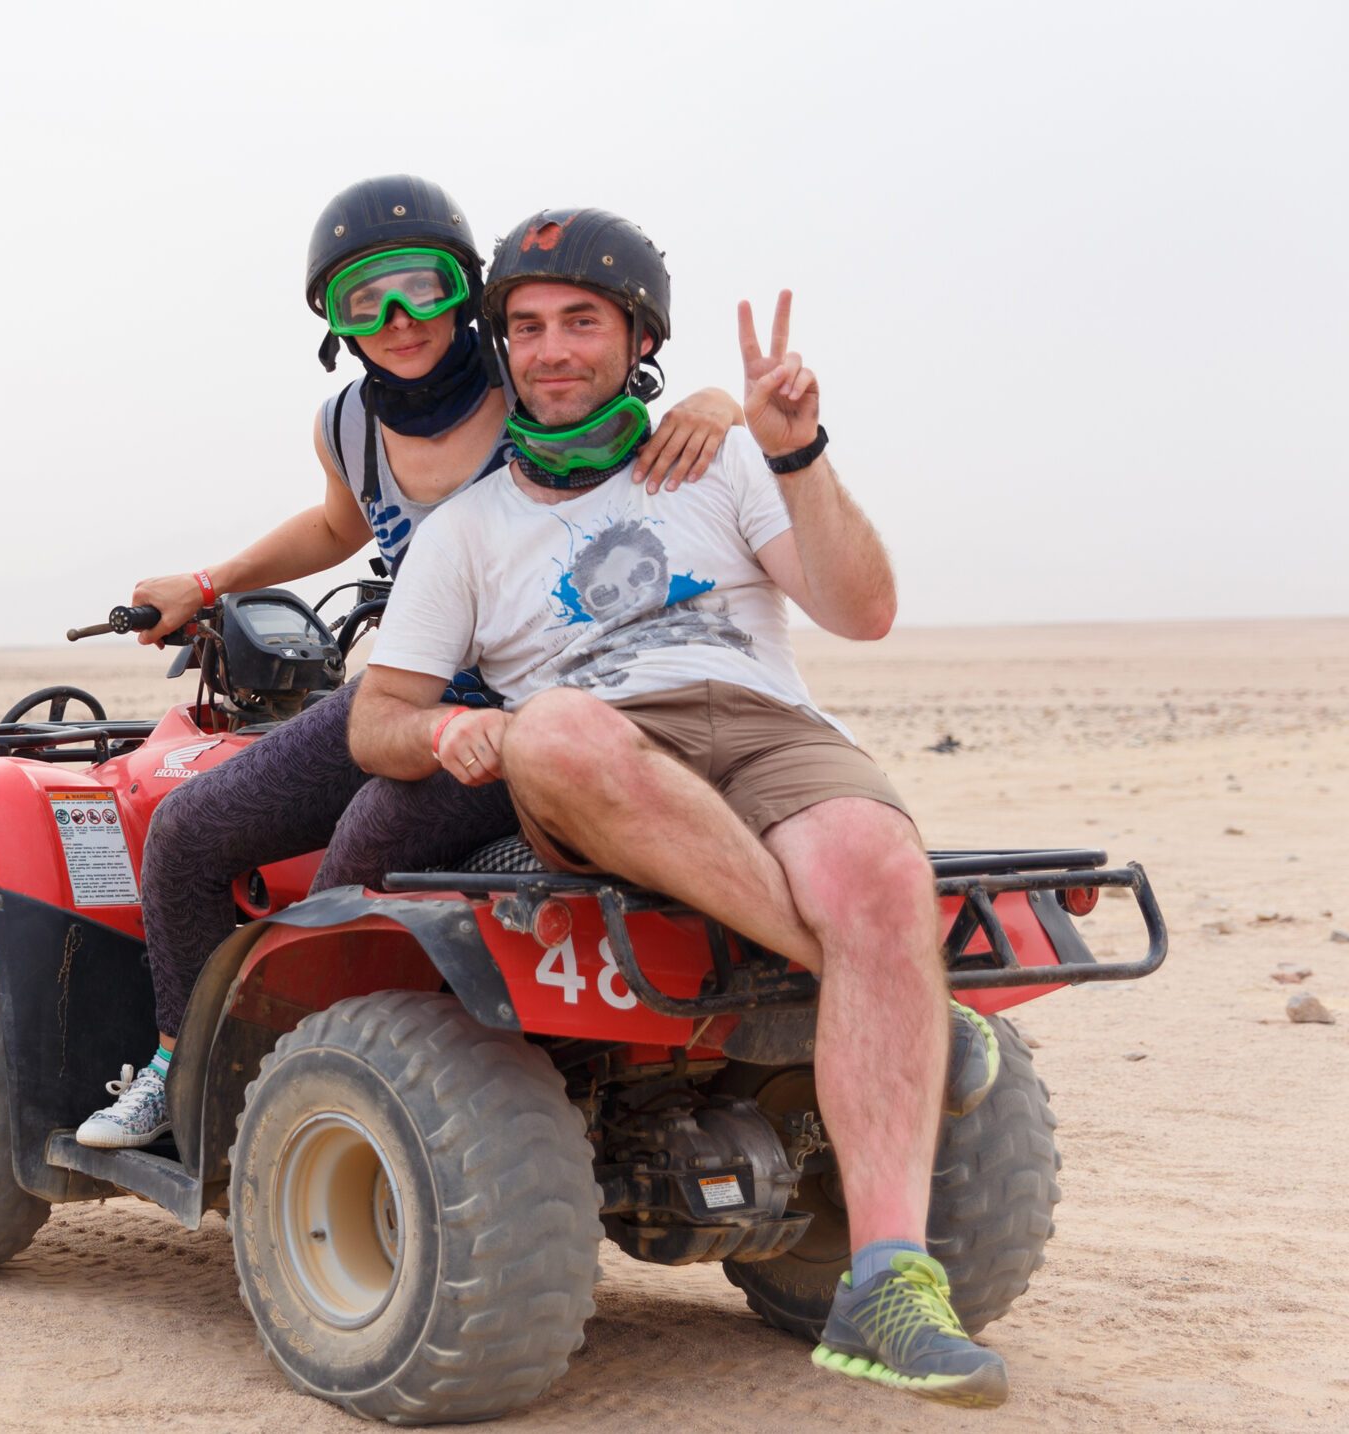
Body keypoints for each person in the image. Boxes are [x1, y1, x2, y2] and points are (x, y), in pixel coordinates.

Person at [346, 207, 1007, 1406]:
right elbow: (372, 720)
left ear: (633, 337)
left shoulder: (726, 463)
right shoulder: (468, 532)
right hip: (601, 748)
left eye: (580, 323)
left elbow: (861, 615)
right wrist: (456, 727)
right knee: (553, 729)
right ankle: (891, 989)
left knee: (876, 861)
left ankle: (888, 1283)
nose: (551, 350)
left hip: (766, 725)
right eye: (528, 326)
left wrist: (798, 452)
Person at [74, 178, 745, 1149]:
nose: (397, 319)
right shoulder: (346, 424)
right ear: (333, 321)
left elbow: (646, 418)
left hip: (538, 706)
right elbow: (335, 526)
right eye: (363, 300)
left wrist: (718, 404)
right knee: (187, 830)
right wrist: (207, 582)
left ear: (463, 289)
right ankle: (184, 1068)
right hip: (404, 698)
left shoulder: (532, 385)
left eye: (419, 289)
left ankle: (332, 1098)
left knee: (363, 854)